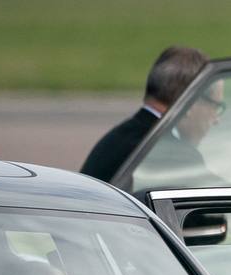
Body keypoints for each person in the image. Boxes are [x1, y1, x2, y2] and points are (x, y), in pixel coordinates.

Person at [80, 46, 208, 183]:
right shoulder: (177, 156)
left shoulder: (114, 139)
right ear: (191, 100)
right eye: (216, 106)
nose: (216, 119)